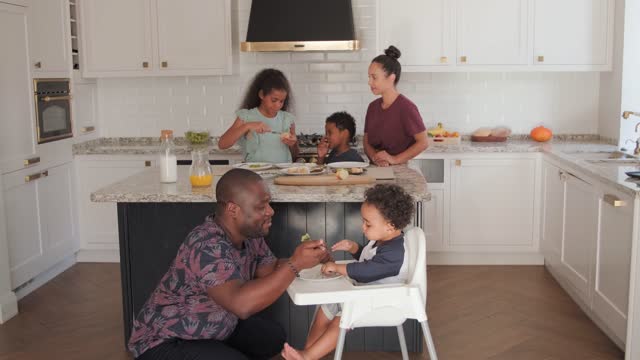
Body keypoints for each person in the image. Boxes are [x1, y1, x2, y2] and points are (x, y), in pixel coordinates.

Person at [129, 169, 328, 360]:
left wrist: (311, 262)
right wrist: (294, 264)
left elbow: (270, 269)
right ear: (233, 209)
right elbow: (241, 304)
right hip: (168, 340)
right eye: (261, 206)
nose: (271, 211)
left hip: (214, 326)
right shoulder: (206, 245)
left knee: (272, 337)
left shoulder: (249, 235)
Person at [281, 184, 415, 360]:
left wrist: (338, 268)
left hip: (385, 301)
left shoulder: (396, 252)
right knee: (327, 303)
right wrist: (354, 249)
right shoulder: (382, 240)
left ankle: (307, 356)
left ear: (390, 226)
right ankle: (310, 352)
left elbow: (368, 271)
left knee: (343, 315)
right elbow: (370, 261)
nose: (363, 228)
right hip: (366, 295)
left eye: (368, 224)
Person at [364, 46, 428, 167]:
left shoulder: (406, 107)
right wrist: (375, 158)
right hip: (375, 169)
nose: (369, 82)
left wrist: (394, 159)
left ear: (391, 78)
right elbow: (366, 142)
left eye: (374, 77)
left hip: (399, 171)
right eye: (369, 77)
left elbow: (423, 142)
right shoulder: (372, 107)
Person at [218, 68, 299, 163]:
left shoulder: (287, 119)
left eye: (281, 101)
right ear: (261, 94)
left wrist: (293, 143)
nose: (278, 105)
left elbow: (295, 153)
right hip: (255, 174)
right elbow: (222, 144)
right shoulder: (246, 117)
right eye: (274, 100)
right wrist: (247, 126)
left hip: (282, 175)